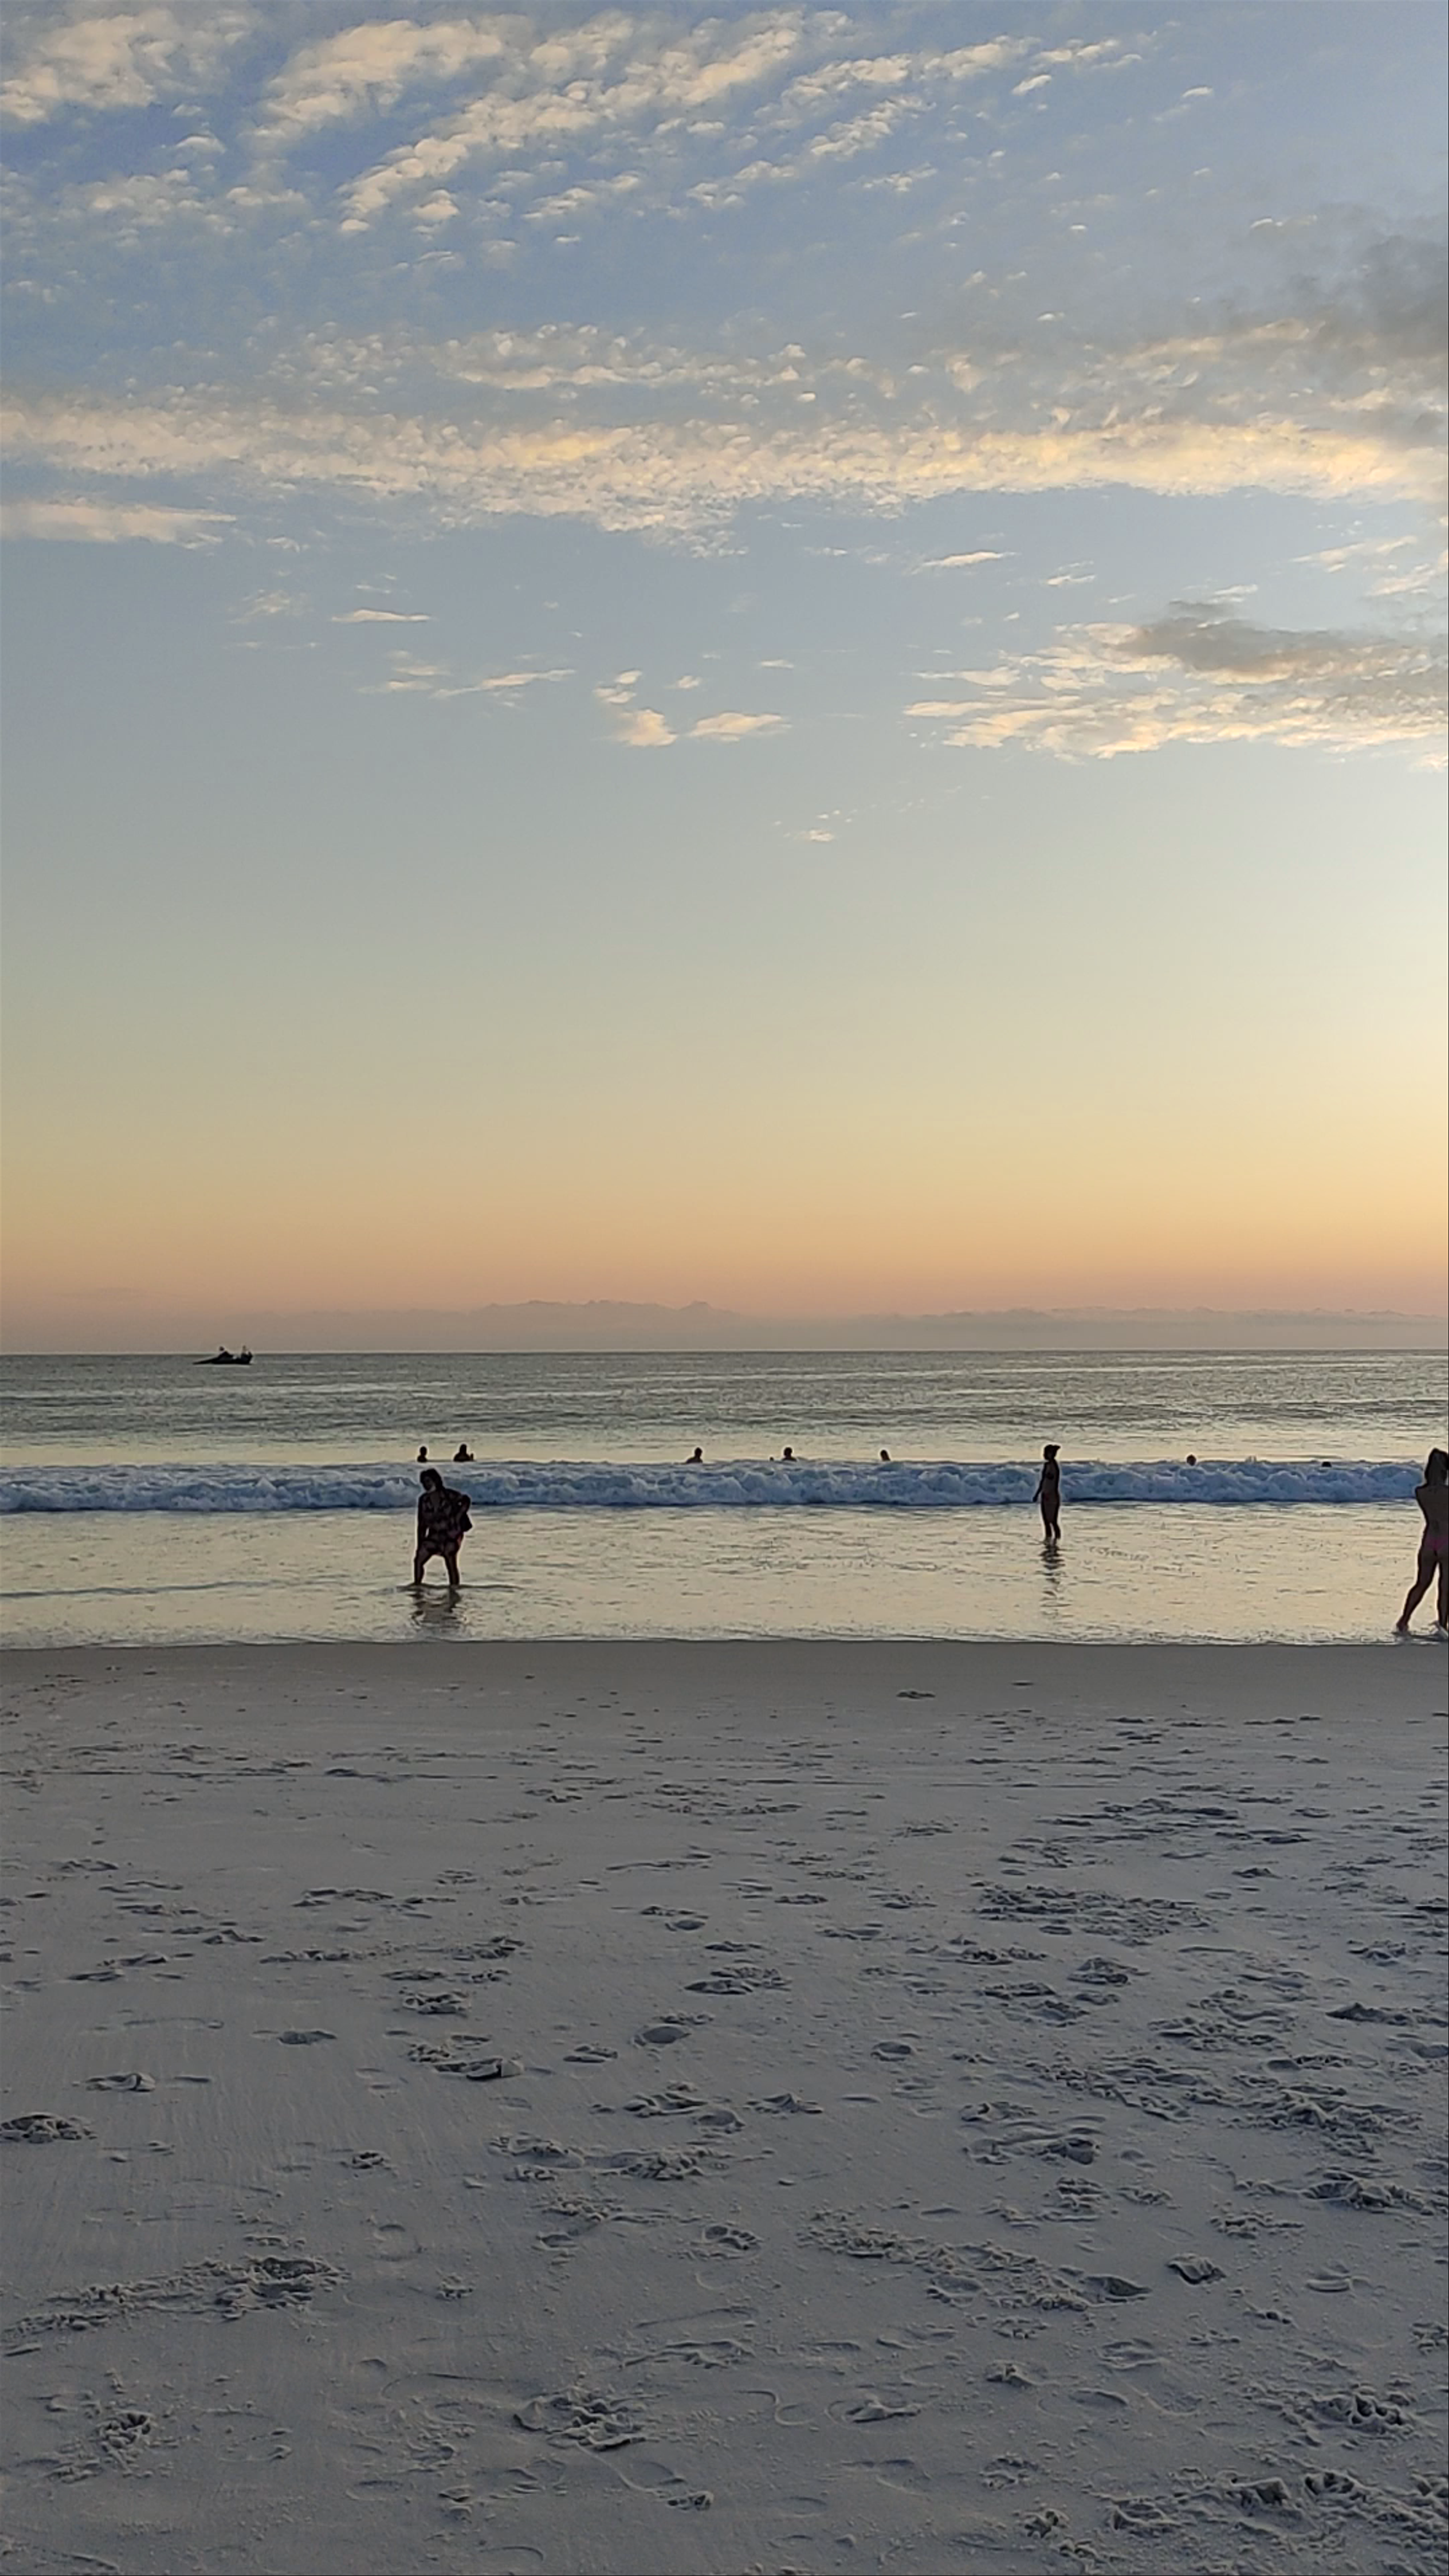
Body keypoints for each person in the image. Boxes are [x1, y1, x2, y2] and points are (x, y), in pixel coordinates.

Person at [1395, 1448, 1449, 1636]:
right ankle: (1442, 1625)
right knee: (1445, 1586)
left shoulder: (1420, 1492)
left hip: (1429, 1540)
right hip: (1447, 1540)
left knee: (1421, 1583)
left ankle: (1404, 1620)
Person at [413, 1466, 471, 1587]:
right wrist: (419, 1544)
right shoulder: (423, 1500)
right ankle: (417, 1586)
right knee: (418, 1560)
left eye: (428, 1482)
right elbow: (422, 1524)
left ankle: (454, 1588)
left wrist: (459, 1516)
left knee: (450, 1560)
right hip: (434, 1535)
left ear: (435, 1480)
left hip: (451, 1535)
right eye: (423, 1483)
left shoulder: (449, 1495)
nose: (426, 1485)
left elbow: (466, 1500)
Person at [1034, 1443, 1061, 1543]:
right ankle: (1048, 1538)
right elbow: (1043, 1481)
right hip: (1045, 1495)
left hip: (1052, 1496)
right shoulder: (1047, 1466)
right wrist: (1038, 1494)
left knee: (1053, 1521)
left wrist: (1049, 1494)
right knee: (1046, 1521)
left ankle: (1057, 1539)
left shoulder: (1054, 1466)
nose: (1044, 1455)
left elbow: (1053, 1482)